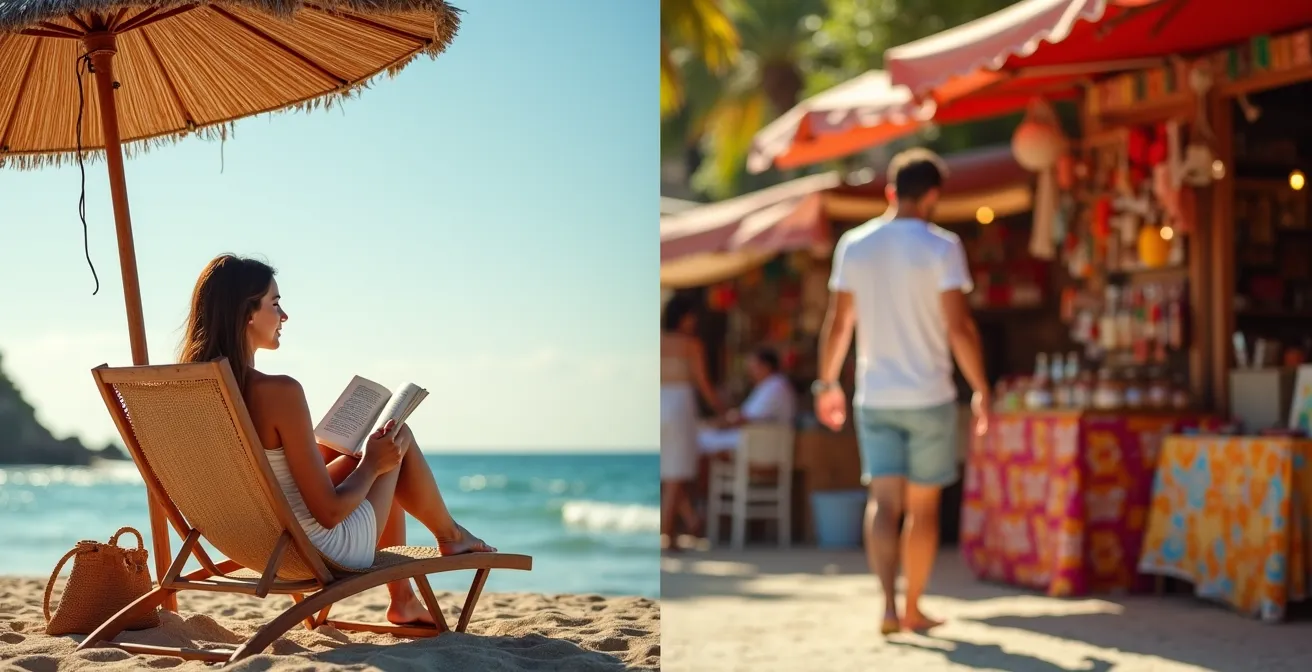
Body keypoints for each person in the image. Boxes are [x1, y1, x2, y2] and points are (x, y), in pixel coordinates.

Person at [177, 254, 495, 627]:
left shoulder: (191, 395)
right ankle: (448, 537)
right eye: (275, 305)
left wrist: (353, 457)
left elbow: (269, 479)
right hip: (319, 548)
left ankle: (410, 591)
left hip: (253, 544)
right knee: (397, 438)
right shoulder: (279, 392)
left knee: (373, 447)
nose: (284, 316)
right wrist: (371, 463)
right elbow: (328, 513)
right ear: (246, 313)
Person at [812, 149, 989, 635]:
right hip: (930, 395)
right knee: (924, 509)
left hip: (875, 395)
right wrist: (981, 389)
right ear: (932, 196)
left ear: (891, 191)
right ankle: (913, 607)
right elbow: (959, 329)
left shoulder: (855, 243)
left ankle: (888, 607)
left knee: (883, 504)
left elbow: (838, 322)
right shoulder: (942, 246)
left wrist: (826, 384)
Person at [660, 295, 723, 549]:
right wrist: (721, 410)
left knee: (669, 472)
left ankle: (687, 522)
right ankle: (667, 534)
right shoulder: (690, 344)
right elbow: (703, 383)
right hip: (679, 405)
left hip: (657, 403)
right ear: (683, 316)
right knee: (678, 472)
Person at [697, 347, 797, 455]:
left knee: (701, 438)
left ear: (766, 367)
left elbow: (747, 418)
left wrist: (721, 422)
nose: (749, 371)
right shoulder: (769, 385)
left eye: (753, 366)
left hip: (762, 442)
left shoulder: (775, 386)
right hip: (760, 439)